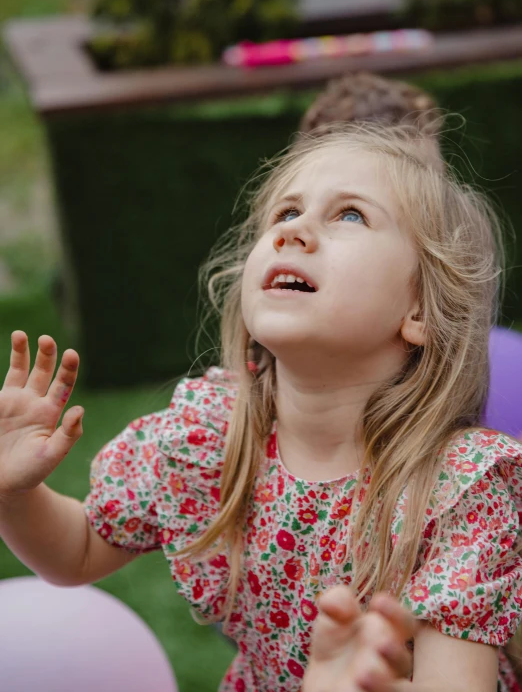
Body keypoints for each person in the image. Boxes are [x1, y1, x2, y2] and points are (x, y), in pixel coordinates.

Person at [1, 120, 522, 691]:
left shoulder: (459, 490)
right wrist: (15, 493)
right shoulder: (210, 434)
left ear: (419, 309)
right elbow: (75, 552)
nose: (293, 231)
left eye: (350, 214)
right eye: (284, 212)